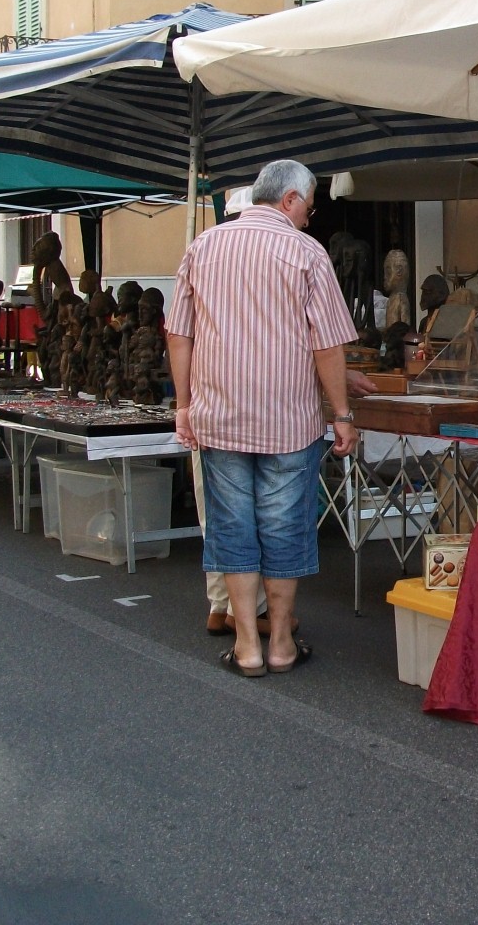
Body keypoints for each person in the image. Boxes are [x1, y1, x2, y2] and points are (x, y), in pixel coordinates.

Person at [168, 159, 358, 677]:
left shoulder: (203, 247)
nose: (310, 218)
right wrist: (342, 415)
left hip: (220, 416)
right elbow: (328, 344)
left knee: (232, 529)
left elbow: (178, 335)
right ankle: (282, 645)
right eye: (310, 208)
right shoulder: (305, 253)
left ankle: (248, 647)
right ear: (290, 199)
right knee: (283, 529)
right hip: (287, 421)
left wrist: (183, 405)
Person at [202, 360, 379, 638]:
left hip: (217, 408)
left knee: (229, 520)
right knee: (276, 522)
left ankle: (228, 615)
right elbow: (319, 342)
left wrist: (186, 407)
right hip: (279, 414)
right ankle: (273, 632)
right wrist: (341, 409)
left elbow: (182, 338)